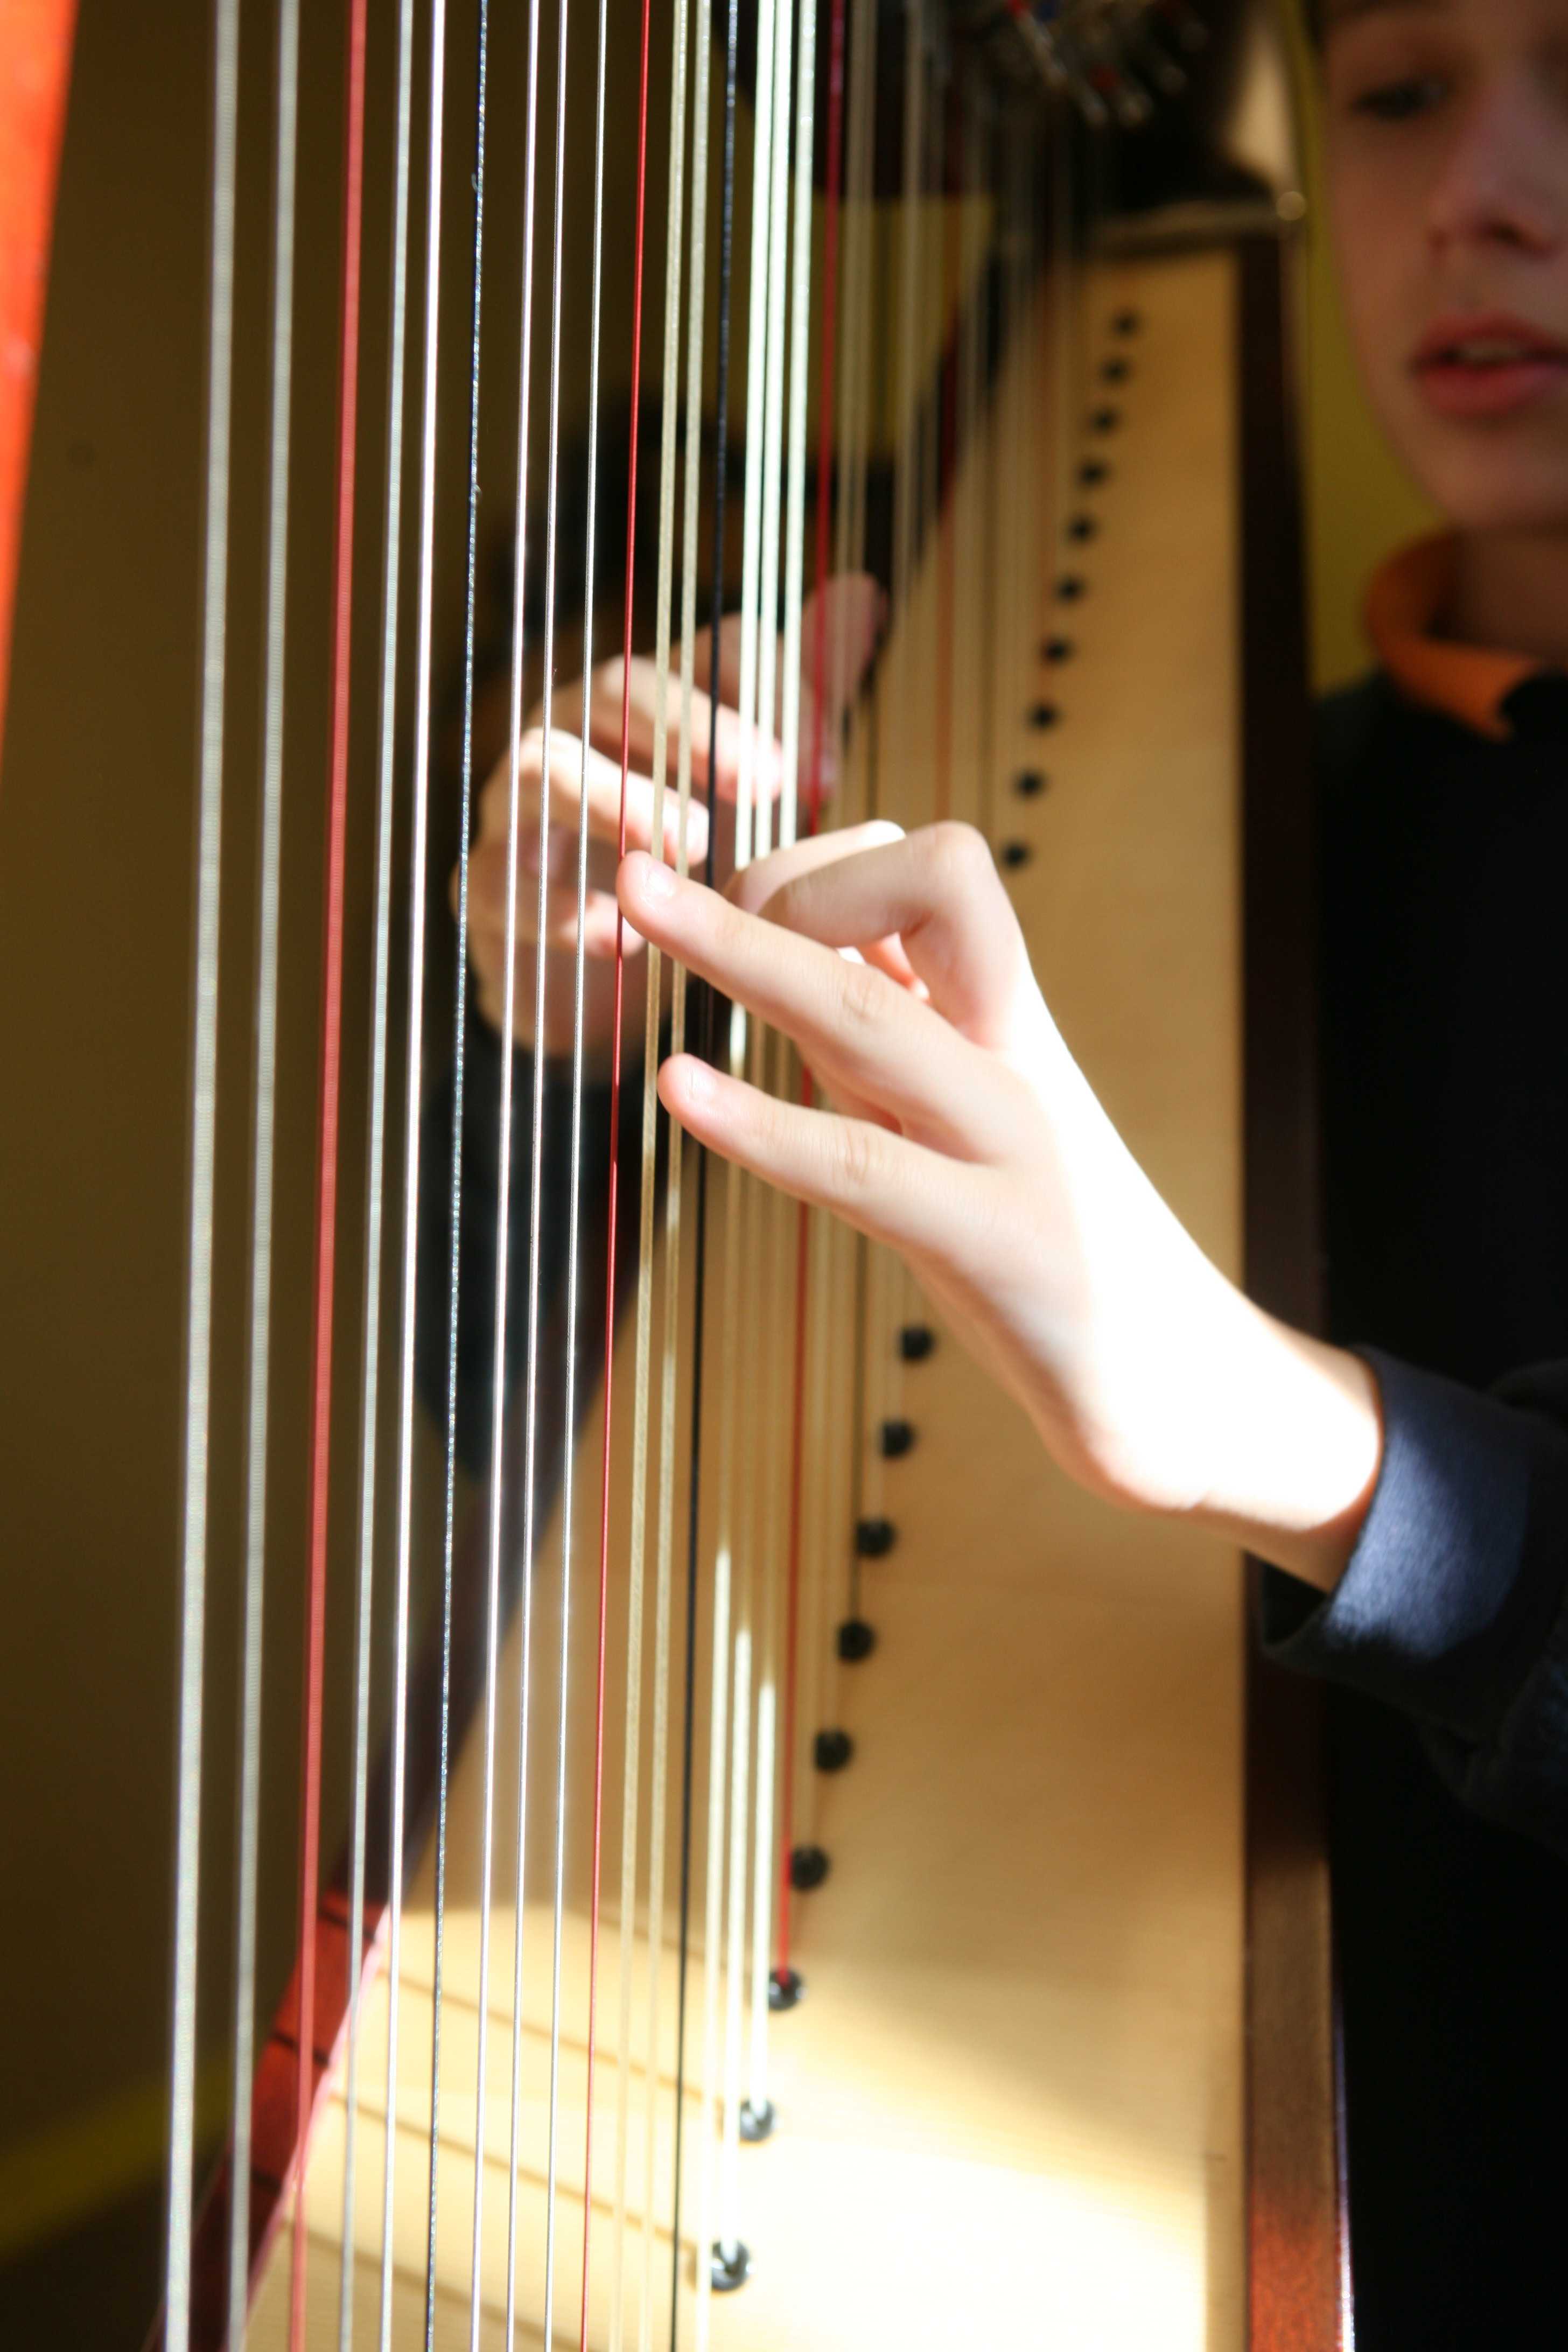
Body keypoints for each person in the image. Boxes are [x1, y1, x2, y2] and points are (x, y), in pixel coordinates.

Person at [448, 0, 1568, 2336]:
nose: (1477, 188)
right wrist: (585, 1039)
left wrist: (1271, 1420)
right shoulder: (1215, 803)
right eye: (1392, 87)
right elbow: (597, 1465)